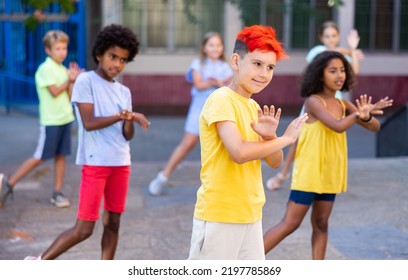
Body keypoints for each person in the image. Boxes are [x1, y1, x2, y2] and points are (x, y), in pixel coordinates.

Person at [24, 24, 151, 260]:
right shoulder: (86, 81)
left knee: (113, 222)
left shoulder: (124, 92)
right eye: (113, 56)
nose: (117, 64)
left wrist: (129, 119)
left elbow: (127, 135)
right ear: (99, 54)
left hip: (121, 162)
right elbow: (89, 122)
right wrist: (122, 115)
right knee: (84, 229)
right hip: (96, 162)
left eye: (123, 60)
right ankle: (39, 262)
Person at [188, 25, 309, 260]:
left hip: (251, 212)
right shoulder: (221, 98)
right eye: (256, 64)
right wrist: (285, 139)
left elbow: (274, 162)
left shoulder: (254, 107)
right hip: (219, 214)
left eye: (270, 67)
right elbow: (239, 152)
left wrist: (270, 137)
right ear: (235, 61)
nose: (263, 73)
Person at [263, 51, 393, 259]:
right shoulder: (313, 101)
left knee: (321, 224)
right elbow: (338, 126)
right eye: (332, 71)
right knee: (290, 223)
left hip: (329, 174)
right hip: (309, 173)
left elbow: (375, 127)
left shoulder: (343, 105)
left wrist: (366, 117)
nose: (339, 75)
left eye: (342, 70)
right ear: (320, 75)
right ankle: (246, 262)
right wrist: (357, 115)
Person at [266, 21, 364, 190]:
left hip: (335, 101)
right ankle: (283, 173)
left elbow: (354, 70)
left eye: (334, 36)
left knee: (328, 140)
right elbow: (327, 56)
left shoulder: (341, 57)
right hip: (317, 103)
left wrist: (352, 50)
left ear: (338, 36)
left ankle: (324, 179)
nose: (330, 39)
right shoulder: (317, 51)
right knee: (297, 136)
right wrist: (349, 50)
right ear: (321, 37)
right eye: (327, 36)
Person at [0, 30, 82, 208]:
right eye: (58, 48)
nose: (62, 52)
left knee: (61, 155)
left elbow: (68, 96)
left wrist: (73, 81)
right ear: (48, 50)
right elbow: (54, 92)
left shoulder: (63, 69)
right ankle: (9, 183)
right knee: (40, 156)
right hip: (51, 121)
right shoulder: (45, 69)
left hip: (65, 119)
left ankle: (57, 192)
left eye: (64, 48)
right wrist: (69, 80)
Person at [148, 32, 233, 196]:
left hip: (220, 110)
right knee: (187, 145)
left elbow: (230, 85)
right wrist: (215, 82)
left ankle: (220, 185)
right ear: (204, 47)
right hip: (199, 109)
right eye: (211, 45)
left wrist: (218, 82)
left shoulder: (226, 66)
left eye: (218, 45)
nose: (215, 48)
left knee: (223, 147)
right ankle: (163, 176)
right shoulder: (197, 64)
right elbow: (199, 84)